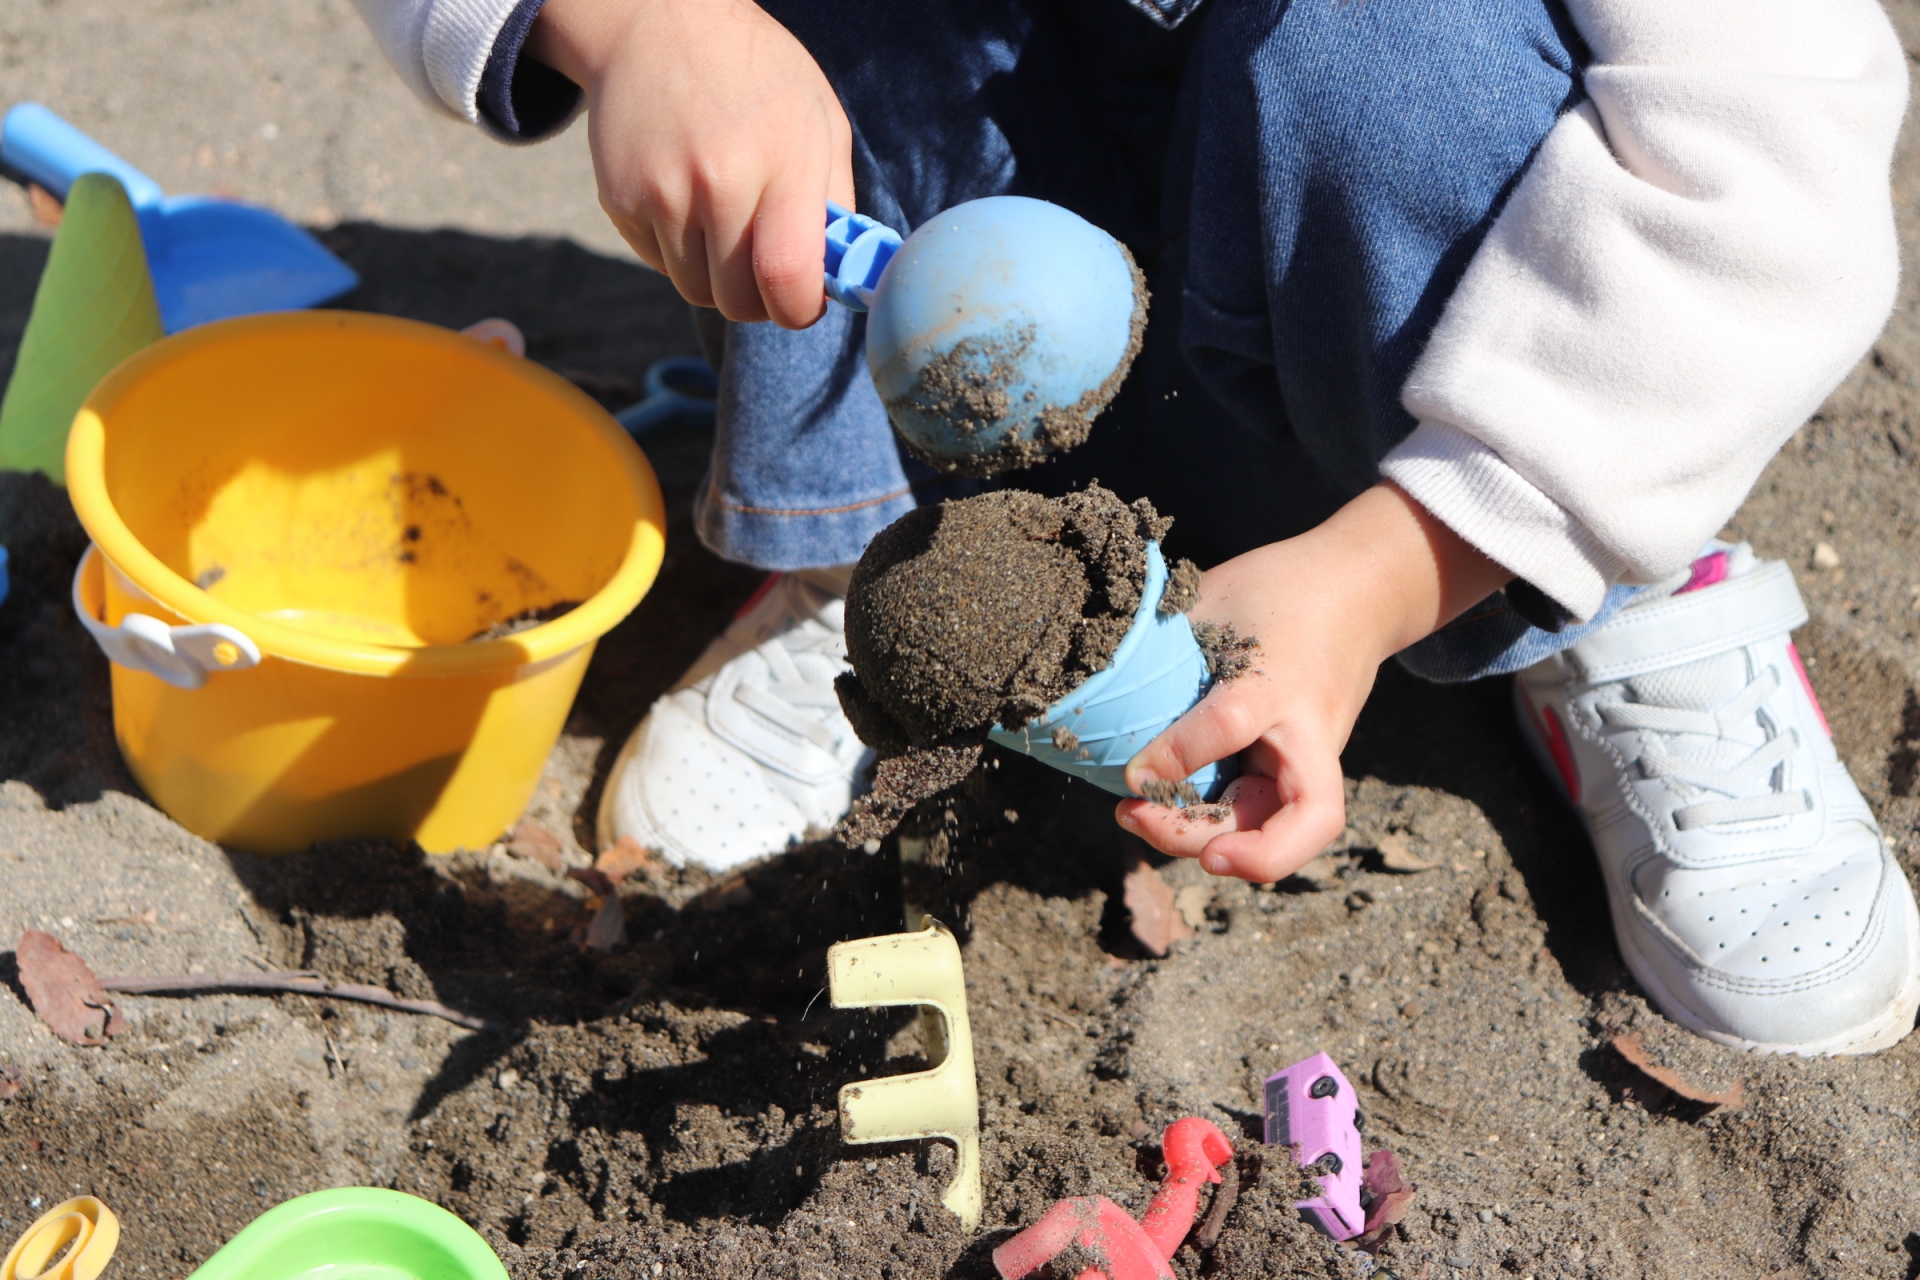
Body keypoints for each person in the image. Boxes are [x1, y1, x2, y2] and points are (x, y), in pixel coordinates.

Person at [350, 0, 1915, 1055]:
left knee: (1407, 60)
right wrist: (628, 21)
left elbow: (1757, 152)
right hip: (995, 181)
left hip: (1469, 325)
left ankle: (1598, 572)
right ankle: (881, 529)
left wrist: (1386, 572)